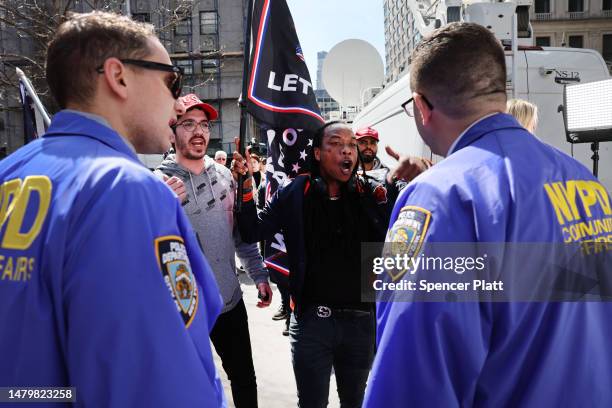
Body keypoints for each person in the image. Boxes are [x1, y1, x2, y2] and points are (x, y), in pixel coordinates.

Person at [364, 22, 612, 407]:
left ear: (421, 107)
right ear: (499, 91)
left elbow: (412, 379)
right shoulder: (586, 184)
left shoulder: (441, 199)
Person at [0, 12, 225, 407]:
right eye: (171, 80)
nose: (176, 103)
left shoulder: (9, 172)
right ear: (118, 77)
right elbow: (154, 388)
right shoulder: (125, 190)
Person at [235, 121, 427, 407]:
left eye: (351, 145)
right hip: (311, 325)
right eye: (336, 144)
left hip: (361, 325)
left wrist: (420, 178)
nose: (347, 151)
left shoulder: (372, 193)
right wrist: (246, 182)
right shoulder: (295, 192)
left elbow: (416, 219)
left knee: (356, 402)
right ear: (317, 154)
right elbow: (252, 231)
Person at [155, 93, 273, 408]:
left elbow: (241, 236)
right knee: (189, 389)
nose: (199, 132)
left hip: (229, 301)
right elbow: (145, 254)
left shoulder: (225, 176)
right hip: (184, 312)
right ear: (173, 130)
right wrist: (162, 209)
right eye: (188, 123)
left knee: (244, 379)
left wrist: (259, 274)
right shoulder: (155, 184)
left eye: (204, 124)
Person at [355, 126, 432, 184]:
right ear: (355, 145)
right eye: (363, 142)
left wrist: (419, 177)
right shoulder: (347, 173)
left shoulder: (388, 174)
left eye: (372, 143)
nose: (368, 146)